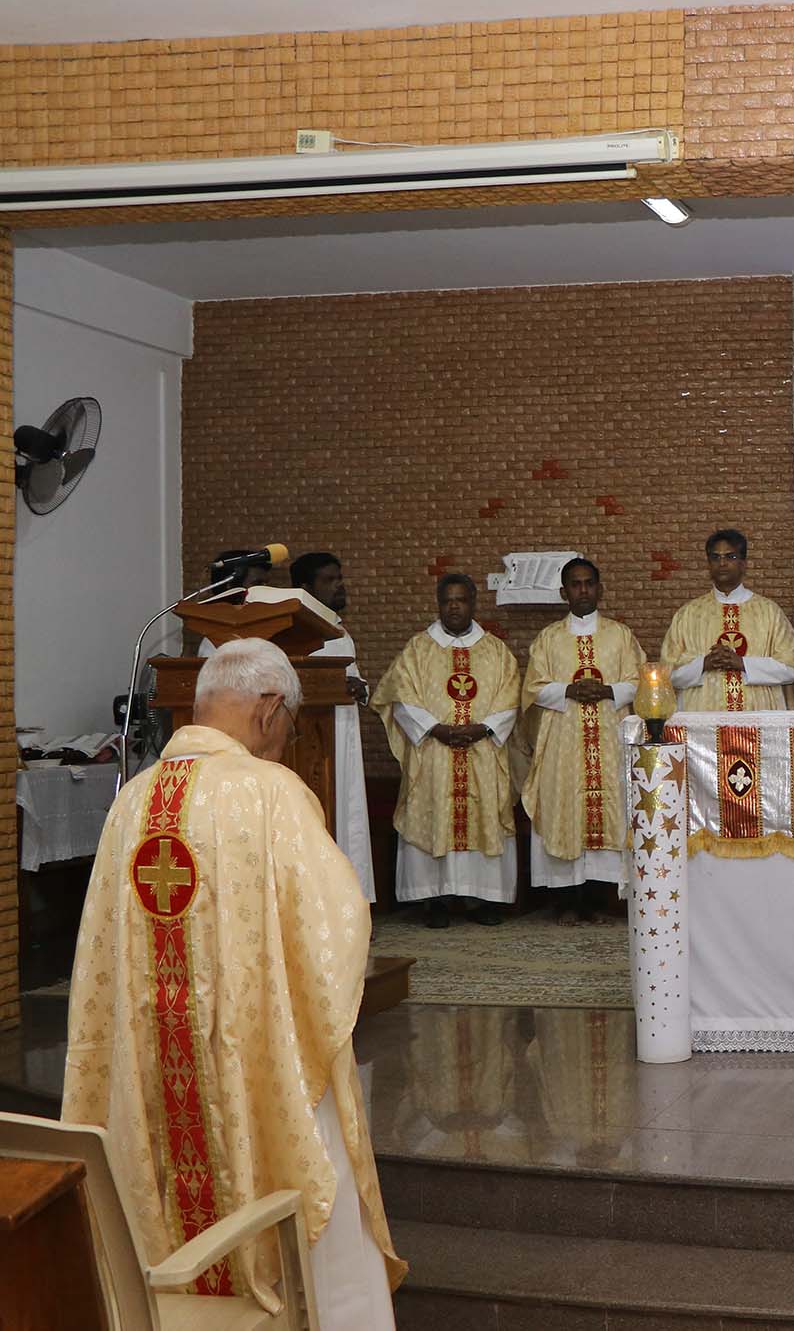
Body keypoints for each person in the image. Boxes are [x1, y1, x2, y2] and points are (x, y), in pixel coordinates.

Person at [63, 639, 403, 1323]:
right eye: (290, 726)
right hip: (261, 1071)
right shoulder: (270, 793)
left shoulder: (131, 803)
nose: (285, 741)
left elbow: (98, 954)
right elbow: (334, 931)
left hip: (151, 1071)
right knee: (313, 1172)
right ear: (270, 709)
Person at [373, 573, 520, 928]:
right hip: (434, 752)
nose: (454, 607)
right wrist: (435, 728)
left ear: (473, 603)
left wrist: (482, 728)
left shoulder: (496, 651)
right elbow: (400, 695)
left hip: (482, 751)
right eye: (447, 601)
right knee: (434, 814)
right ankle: (434, 900)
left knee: (482, 817)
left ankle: (481, 899)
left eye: (461, 600)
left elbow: (511, 696)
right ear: (438, 604)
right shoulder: (418, 649)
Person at [520, 558, 645, 924]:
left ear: (600, 588)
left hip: (609, 740)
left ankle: (600, 900)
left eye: (589, 583)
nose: (583, 590)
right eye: (575, 584)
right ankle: (566, 901)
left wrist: (607, 690)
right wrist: (569, 690)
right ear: (564, 592)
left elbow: (639, 681)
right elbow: (532, 688)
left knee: (610, 810)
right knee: (565, 808)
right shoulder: (549, 639)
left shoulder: (620, 636)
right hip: (564, 742)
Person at [285, 550, 376, 902]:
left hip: (344, 735)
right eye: (329, 580)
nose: (339, 586)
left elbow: (351, 676)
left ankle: (352, 900)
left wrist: (359, 687)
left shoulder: (337, 626)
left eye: (339, 578)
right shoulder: (295, 632)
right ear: (305, 589)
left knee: (348, 814)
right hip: (315, 746)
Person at [660, 529, 794, 712]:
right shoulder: (687, 615)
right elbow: (666, 676)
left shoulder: (769, 612)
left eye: (730, 557)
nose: (722, 563)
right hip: (703, 718)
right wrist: (703, 664)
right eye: (715, 557)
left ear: (744, 564)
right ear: (708, 564)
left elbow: (791, 670)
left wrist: (742, 663)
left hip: (758, 715)